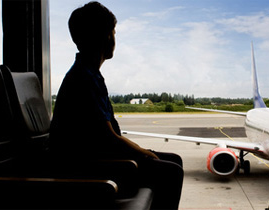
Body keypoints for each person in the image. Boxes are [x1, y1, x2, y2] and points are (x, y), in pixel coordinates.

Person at [48, 2, 184, 209]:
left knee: (174, 160)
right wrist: (142, 152)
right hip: (89, 167)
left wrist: (142, 151)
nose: (114, 38)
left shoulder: (87, 74)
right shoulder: (83, 79)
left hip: (95, 158)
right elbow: (107, 138)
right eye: (113, 32)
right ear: (103, 37)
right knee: (171, 171)